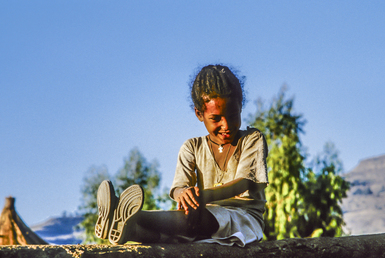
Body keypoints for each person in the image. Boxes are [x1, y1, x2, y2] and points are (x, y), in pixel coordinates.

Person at [95, 64, 268, 246]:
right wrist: (186, 196)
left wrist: (202, 196)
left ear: (241, 107)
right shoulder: (191, 147)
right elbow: (178, 188)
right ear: (199, 114)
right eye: (216, 118)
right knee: (178, 227)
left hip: (242, 220)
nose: (226, 125)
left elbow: (244, 182)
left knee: (200, 218)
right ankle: (126, 228)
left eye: (233, 115)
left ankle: (128, 215)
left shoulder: (252, 139)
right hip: (202, 213)